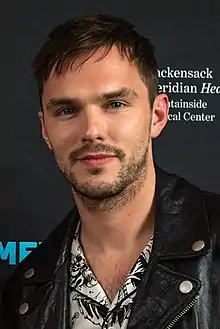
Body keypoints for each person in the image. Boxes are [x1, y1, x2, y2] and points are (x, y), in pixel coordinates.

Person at [1, 13, 220, 329]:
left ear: (157, 115)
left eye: (115, 104)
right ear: (45, 130)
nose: (91, 130)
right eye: (67, 110)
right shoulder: (23, 293)